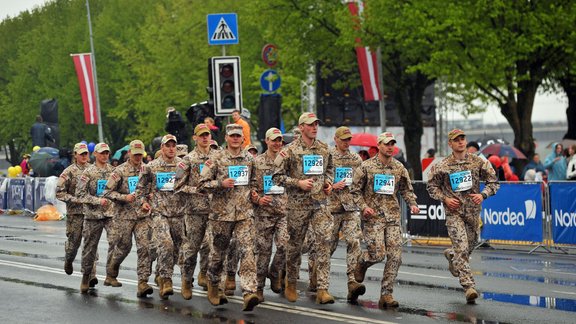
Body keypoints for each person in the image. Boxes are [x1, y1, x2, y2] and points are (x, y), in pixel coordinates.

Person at [427, 129, 499, 304]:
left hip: (473, 213)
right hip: (454, 213)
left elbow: (493, 181)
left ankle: (452, 256)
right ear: (450, 144)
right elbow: (431, 186)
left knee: (469, 245)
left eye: (463, 139)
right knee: (461, 246)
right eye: (456, 140)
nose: (460, 142)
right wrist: (445, 198)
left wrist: (483, 195)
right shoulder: (442, 165)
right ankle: (469, 287)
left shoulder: (478, 162)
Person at [272, 112, 335, 304]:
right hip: (297, 206)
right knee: (295, 246)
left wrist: (328, 183)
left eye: (316, 124)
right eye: (310, 124)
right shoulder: (289, 151)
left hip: (320, 204)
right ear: (301, 127)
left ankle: (323, 289)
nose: (314, 127)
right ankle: (290, 282)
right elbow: (276, 177)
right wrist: (297, 183)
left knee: (324, 241)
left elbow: (330, 169)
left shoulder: (324, 149)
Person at [351, 132, 420, 308]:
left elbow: (406, 189)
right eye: (387, 144)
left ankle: (386, 294)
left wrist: (412, 203)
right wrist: (364, 207)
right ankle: (362, 262)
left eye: (392, 144)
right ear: (379, 145)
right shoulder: (366, 167)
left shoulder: (399, 168)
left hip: (392, 218)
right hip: (373, 218)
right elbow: (355, 191)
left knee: (396, 256)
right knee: (378, 255)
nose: (390, 147)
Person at [198, 124, 260, 311]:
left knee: (248, 250)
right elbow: (202, 184)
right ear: (226, 138)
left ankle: (249, 291)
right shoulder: (215, 158)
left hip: (244, 214)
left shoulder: (250, 159)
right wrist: (220, 183)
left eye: (238, 136)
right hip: (221, 215)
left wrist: (255, 194)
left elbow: (255, 183)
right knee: (218, 255)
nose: (235, 139)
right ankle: (214, 284)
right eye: (232, 135)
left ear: (243, 139)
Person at [135, 134, 185, 299]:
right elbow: (140, 188)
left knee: (177, 248)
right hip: (159, 212)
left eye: (173, 146)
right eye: (168, 145)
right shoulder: (151, 166)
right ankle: (166, 279)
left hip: (179, 213)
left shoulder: (183, 165)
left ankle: (161, 274)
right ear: (162, 148)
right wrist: (143, 202)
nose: (171, 149)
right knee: (166, 244)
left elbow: (191, 184)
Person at [102, 140, 153, 298]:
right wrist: (124, 197)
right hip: (124, 216)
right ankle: (112, 270)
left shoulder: (148, 170)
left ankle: (142, 283)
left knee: (145, 247)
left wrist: (147, 201)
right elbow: (107, 192)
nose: (138, 157)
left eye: (140, 154)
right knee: (124, 247)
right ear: (129, 153)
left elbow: (152, 189)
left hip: (142, 216)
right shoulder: (120, 171)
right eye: (135, 154)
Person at [175, 124, 218, 300]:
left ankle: (210, 280)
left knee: (213, 247)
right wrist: (195, 191)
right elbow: (177, 186)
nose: (205, 138)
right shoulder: (187, 160)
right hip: (194, 211)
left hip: (215, 210)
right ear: (195, 138)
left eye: (207, 135)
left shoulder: (218, 157)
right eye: (201, 135)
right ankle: (186, 280)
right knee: (191, 249)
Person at [249, 127, 289, 302]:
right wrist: (257, 199)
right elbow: (249, 187)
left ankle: (274, 273)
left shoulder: (287, 160)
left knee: (285, 245)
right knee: (262, 253)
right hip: (263, 214)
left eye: (279, 140)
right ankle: (258, 288)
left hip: (283, 212)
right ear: (266, 141)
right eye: (273, 140)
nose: (277, 143)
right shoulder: (257, 162)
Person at [327, 126, 365, 302]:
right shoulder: (328, 156)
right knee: (329, 246)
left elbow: (361, 181)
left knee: (354, 241)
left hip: (350, 208)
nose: (346, 142)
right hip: (331, 207)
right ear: (336, 139)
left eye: (348, 139)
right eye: (343, 139)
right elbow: (319, 179)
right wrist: (331, 186)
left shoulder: (356, 158)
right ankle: (319, 279)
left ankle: (352, 282)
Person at [75, 143, 116, 293]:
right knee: (90, 248)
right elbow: (79, 194)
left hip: (110, 214)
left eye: (107, 153)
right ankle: (86, 276)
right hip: (93, 215)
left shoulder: (113, 171)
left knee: (116, 241)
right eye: (102, 153)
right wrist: (97, 201)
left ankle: (110, 274)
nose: (105, 156)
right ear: (95, 154)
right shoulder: (88, 173)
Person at [56, 143, 91, 278]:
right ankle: (69, 259)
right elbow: (59, 192)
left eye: (86, 154)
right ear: (75, 155)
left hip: (91, 213)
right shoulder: (68, 172)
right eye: (81, 154)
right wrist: (74, 199)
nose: (84, 156)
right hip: (75, 214)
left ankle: (89, 276)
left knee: (90, 246)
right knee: (74, 244)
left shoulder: (93, 170)